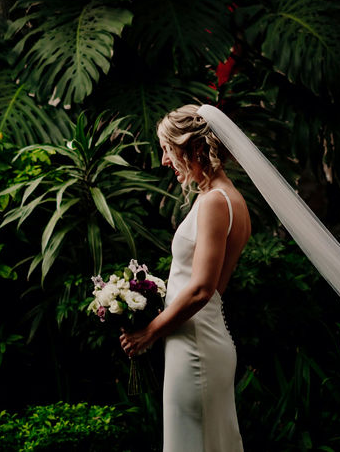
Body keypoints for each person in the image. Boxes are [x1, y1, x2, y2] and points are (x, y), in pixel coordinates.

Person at [119, 104, 251, 452]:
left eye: (167, 149)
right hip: (202, 337)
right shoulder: (231, 200)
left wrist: (148, 332)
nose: (164, 161)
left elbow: (203, 290)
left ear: (193, 149)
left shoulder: (214, 203)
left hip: (195, 345)